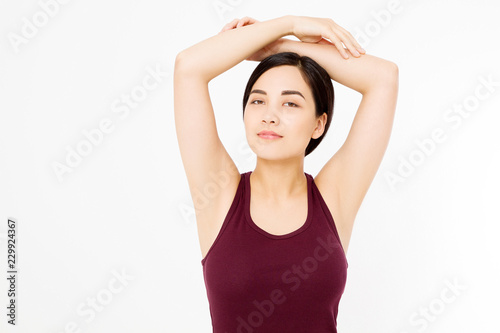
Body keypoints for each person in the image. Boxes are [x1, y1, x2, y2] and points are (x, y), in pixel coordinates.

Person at [174, 15, 398, 332]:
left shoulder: (333, 198)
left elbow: (383, 78)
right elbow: (188, 68)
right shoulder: (219, 194)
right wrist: (289, 24)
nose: (270, 116)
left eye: (290, 104)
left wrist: (279, 48)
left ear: (319, 124)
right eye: (258, 100)